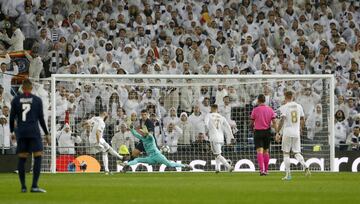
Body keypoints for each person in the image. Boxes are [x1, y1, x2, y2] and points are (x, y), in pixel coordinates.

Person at [9, 79, 49, 193]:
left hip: (21, 132)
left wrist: (12, 132)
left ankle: (23, 187)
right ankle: (34, 186)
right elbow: (41, 119)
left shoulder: (16, 100)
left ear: (22, 88)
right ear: (31, 88)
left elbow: (12, 118)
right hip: (33, 132)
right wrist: (46, 133)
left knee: (22, 158)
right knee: (38, 156)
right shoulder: (37, 100)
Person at [121, 126, 192, 172]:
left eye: (142, 132)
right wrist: (132, 128)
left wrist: (146, 132)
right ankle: (127, 165)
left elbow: (149, 135)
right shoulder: (142, 138)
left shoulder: (151, 138)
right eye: (141, 133)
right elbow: (135, 134)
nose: (141, 134)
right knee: (137, 159)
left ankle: (185, 166)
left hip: (157, 155)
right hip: (151, 157)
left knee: (169, 164)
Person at [276, 91, 310, 180]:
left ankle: (288, 175)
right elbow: (303, 119)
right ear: (292, 97)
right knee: (296, 152)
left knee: (286, 153)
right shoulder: (299, 106)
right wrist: (301, 128)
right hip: (296, 132)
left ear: (285, 97)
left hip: (287, 132)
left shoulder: (285, 107)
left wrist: (278, 131)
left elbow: (282, 120)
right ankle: (305, 166)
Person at [251, 94, 277, 176]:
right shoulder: (270, 109)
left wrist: (252, 127)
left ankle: (261, 170)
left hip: (258, 132)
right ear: (265, 100)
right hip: (267, 132)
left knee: (259, 151)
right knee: (266, 151)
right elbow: (274, 122)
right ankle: (266, 170)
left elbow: (251, 122)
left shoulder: (255, 110)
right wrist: (277, 132)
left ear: (258, 100)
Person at [204, 104, 235, 173]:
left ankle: (229, 166)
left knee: (217, 154)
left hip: (213, 137)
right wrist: (232, 136)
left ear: (211, 109)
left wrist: (207, 131)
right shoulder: (222, 117)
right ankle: (217, 168)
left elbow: (206, 124)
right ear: (217, 109)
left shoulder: (208, 115)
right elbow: (228, 127)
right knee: (218, 153)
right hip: (221, 138)